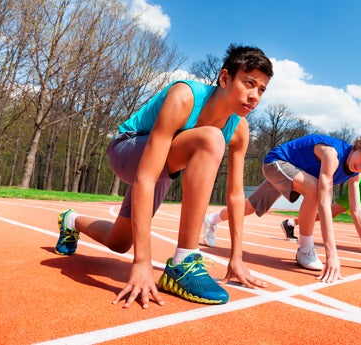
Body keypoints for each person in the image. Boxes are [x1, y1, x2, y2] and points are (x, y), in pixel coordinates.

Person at [53, 44, 273, 308]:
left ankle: (71, 220)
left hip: (164, 168)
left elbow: (236, 195)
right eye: (249, 84)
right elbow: (146, 176)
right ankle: (185, 261)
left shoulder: (240, 129)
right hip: (128, 149)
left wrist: (236, 257)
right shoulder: (185, 96)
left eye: (261, 89)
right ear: (225, 78)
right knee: (211, 138)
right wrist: (142, 262)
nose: (255, 96)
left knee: (120, 242)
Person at [202, 134, 361, 283]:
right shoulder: (332, 154)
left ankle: (211, 219)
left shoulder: (354, 173)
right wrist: (331, 254)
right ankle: (305, 249)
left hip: (296, 172)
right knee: (313, 188)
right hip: (277, 162)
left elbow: (356, 211)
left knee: (249, 207)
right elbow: (324, 201)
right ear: (360, 146)